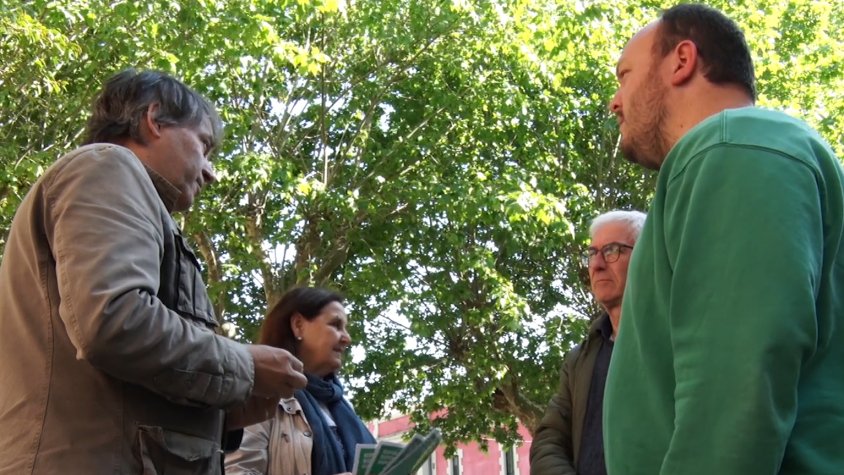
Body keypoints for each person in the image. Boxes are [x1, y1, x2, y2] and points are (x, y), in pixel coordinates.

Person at [0, 69, 309, 474]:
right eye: (204, 145)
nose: (210, 172)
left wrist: (229, 405)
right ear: (154, 118)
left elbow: (118, 390)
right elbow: (114, 321)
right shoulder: (108, 166)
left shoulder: (112, 185)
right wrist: (245, 366)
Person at [603, 4, 844, 474]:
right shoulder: (732, 153)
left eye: (625, 75)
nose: (615, 100)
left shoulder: (736, 147)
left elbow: (738, 380)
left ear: (682, 60)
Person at [530, 210, 646, 475]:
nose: (596, 265)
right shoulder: (580, 359)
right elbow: (549, 439)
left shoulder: (676, 343)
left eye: (612, 250)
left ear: (646, 257)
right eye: (592, 253)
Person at [226, 287, 376, 475]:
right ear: (298, 325)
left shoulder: (343, 407)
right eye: (336, 325)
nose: (347, 338)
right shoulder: (262, 398)